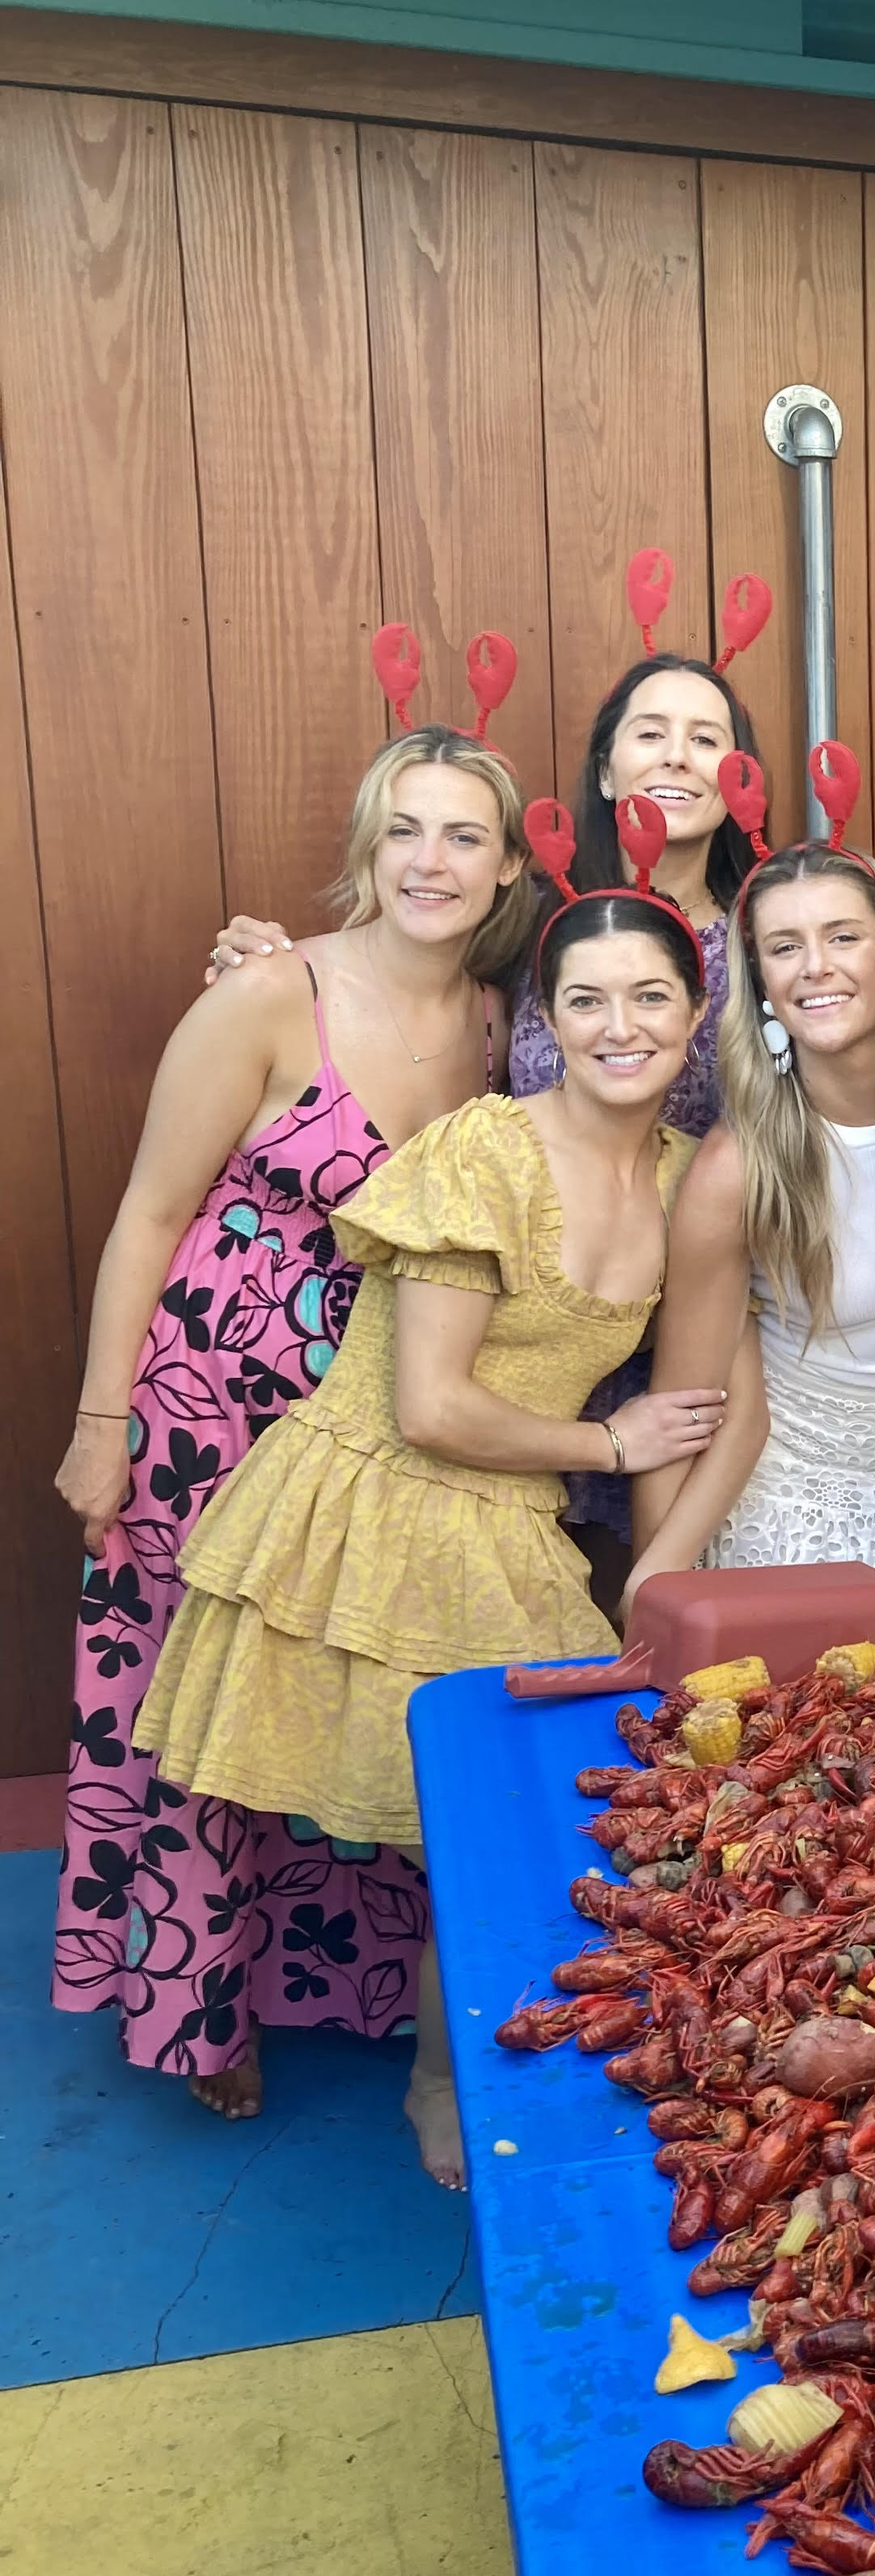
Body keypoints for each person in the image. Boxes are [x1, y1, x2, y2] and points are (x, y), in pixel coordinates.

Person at [135, 877, 726, 2185]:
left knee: (526, 1816)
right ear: (545, 1023)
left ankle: (439, 2063)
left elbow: (726, 1385)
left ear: (696, 1015)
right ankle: (323, 2059)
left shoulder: (691, 1174)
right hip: (371, 1503)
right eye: (584, 1000)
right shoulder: (484, 1151)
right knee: (392, 1810)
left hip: (504, 1522)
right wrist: (607, 1444)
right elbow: (432, 1401)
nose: (617, 1025)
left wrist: (668, 1551)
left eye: (648, 997)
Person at [50, 726, 529, 2117]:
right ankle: (194, 2010)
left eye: (461, 835)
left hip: (376, 1422)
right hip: (210, 1402)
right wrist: (102, 1421)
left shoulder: (506, 1027)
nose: (430, 861)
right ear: (368, 848)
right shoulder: (271, 994)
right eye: (405, 830)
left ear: (505, 865)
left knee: (345, 1691)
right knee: (197, 1713)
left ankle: (350, 1982)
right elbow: (147, 1212)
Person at [203, 580, 767, 1549]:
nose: (677, 754)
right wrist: (266, 962)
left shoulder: (770, 940)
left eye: (707, 737)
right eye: (650, 732)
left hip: (697, 1344)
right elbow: (403, 956)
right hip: (522, 1356)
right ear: (603, 768)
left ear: (741, 779)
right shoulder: (532, 924)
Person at [627, 835, 875, 1593]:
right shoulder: (738, 1168)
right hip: (788, 1514)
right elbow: (682, 1408)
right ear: (760, 983)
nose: (815, 966)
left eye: (843, 936)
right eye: (785, 947)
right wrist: (653, 1601)